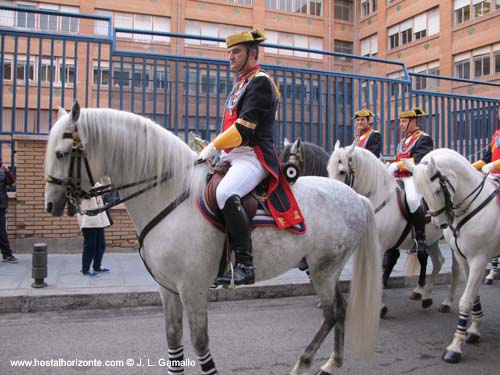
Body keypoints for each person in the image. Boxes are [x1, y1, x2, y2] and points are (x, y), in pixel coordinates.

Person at [198, 28, 304, 286]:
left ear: (253, 53)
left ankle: (245, 264)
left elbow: (244, 129)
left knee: (224, 193)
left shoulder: (260, 82)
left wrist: (213, 146)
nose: (230, 57)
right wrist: (218, 151)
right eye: (229, 52)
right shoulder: (242, 83)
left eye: (236, 52)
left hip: (254, 156)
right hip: (234, 156)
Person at [388, 107, 434, 255]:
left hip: (413, 177)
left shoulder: (423, 138)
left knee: (413, 200)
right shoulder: (404, 140)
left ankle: (420, 239)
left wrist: (398, 164)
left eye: (404, 121)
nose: (401, 124)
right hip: (399, 177)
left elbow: (418, 159)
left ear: (413, 121)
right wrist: (391, 165)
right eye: (400, 121)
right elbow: (399, 158)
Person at [77, 183, 111, 277]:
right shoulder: (83, 185)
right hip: (88, 221)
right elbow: (88, 194)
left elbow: (103, 187)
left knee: (100, 245)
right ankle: (85, 269)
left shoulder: (97, 184)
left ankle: (97, 266)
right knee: (90, 246)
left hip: (99, 221)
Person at [0, 160, 17, 263]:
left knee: (1, 231)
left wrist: (7, 171)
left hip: (1, 206)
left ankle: (7, 254)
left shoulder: (2, 173)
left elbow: (11, 181)